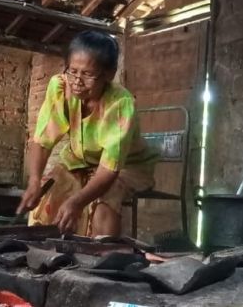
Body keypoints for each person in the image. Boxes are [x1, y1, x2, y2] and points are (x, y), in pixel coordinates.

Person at [16, 30, 158, 237]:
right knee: (48, 193)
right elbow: (43, 140)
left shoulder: (119, 104)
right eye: (72, 71)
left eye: (88, 74)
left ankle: (102, 257)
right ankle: (50, 256)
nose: (77, 81)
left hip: (126, 166)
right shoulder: (60, 86)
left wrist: (77, 201)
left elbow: (109, 170)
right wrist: (34, 181)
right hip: (79, 160)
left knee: (105, 197)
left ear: (109, 74)